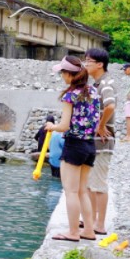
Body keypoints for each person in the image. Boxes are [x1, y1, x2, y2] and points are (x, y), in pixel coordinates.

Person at [44, 56, 101, 242]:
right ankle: (89, 230)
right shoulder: (93, 91)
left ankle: (74, 232)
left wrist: (52, 127)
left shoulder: (70, 95)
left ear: (70, 75)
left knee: (70, 191)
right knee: (83, 190)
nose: (62, 76)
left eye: (63, 73)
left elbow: (64, 125)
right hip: (90, 145)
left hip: (74, 145)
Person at [85, 48, 116, 235]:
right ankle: (92, 220)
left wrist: (100, 124)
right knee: (90, 183)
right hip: (95, 141)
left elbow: (110, 105)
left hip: (103, 141)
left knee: (99, 183)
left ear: (99, 64)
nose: (85, 64)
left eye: (89, 61)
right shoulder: (96, 84)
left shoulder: (105, 84)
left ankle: (100, 224)